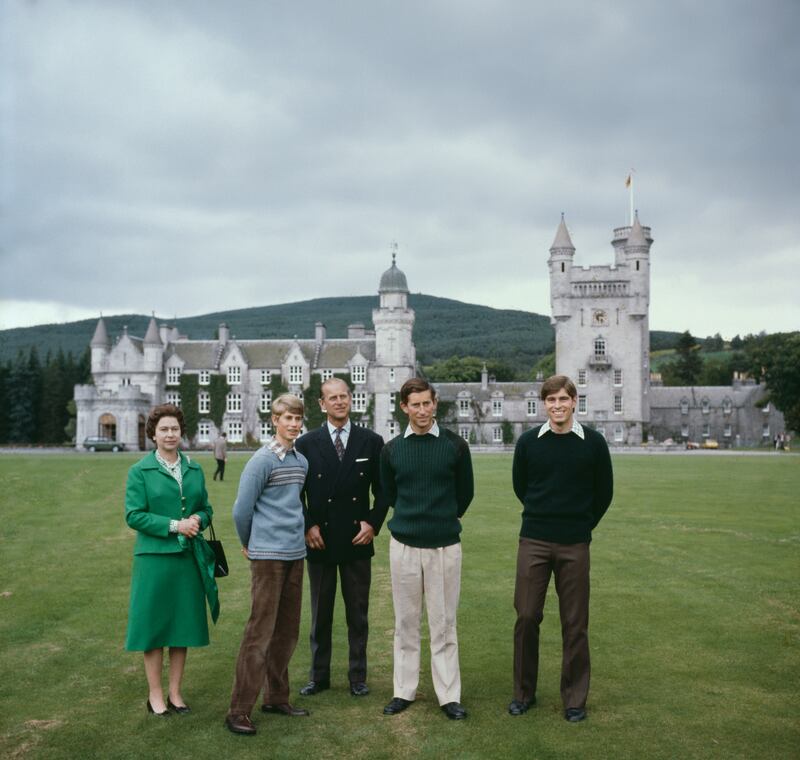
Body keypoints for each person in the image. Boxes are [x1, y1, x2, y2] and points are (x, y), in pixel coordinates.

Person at [509, 374, 613, 722]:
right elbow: (521, 487)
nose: (557, 406)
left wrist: (581, 525)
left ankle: (574, 700)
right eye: (551, 400)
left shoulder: (594, 443)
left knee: (575, 622)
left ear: (574, 401)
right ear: (544, 404)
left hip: (575, 543)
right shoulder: (528, 443)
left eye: (563, 400)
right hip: (534, 539)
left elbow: (604, 493)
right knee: (526, 616)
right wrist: (546, 517)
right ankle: (524, 694)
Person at [380, 377, 474, 721]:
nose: (422, 410)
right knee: (405, 622)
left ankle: (449, 695)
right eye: (414, 404)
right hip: (403, 544)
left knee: (444, 623)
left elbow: (465, 494)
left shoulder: (455, 446)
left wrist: (442, 520)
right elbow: (389, 494)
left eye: (427, 403)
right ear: (404, 407)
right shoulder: (391, 449)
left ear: (436, 404)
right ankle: (403, 691)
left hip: (445, 546)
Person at [295, 378, 388, 698]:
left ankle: (357, 677)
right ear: (321, 404)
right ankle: (319, 677)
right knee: (320, 614)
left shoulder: (371, 441)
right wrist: (308, 526)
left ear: (352, 399)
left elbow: (385, 491)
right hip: (319, 540)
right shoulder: (306, 443)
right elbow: (296, 493)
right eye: (332, 398)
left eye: (344, 396)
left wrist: (373, 524)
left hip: (356, 539)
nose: (339, 402)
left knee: (357, 615)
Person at [124, 403, 219, 717]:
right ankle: (155, 696)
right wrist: (174, 525)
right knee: (154, 629)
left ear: (181, 433)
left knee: (182, 627)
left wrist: (197, 519)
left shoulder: (194, 468)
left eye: (174, 429)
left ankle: (176, 694)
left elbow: (206, 509)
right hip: (154, 560)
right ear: (153, 434)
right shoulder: (140, 471)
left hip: (187, 560)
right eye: (163, 429)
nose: (169, 434)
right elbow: (134, 515)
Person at [225, 394, 309, 736]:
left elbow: (295, 506)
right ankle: (238, 711)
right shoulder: (261, 461)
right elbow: (240, 511)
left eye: (297, 419)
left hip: (295, 553)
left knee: (286, 632)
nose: (293, 424)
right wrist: (249, 544)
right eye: (286, 418)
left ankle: (276, 697)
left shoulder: (300, 461)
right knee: (259, 632)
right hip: (267, 557)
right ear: (274, 420)